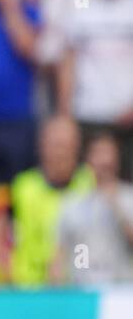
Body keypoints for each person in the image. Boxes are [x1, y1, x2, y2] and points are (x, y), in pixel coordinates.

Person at [10, 115, 93, 287]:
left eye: (65, 145)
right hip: (30, 288)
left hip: (77, 287)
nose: (59, 153)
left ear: (77, 148)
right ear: (41, 146)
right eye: (54, 145)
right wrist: (11, 271)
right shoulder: (23, 186)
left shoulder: (89, 183)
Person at [51, 134, 133, 285]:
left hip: (122, 292)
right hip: (83, 290)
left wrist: (116, 206)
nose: (104, 160)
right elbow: (60, 253)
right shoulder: (72, 203)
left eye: (109, 152)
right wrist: (56, 288)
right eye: (98, 153)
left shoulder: (129, 198)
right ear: (88, 160)